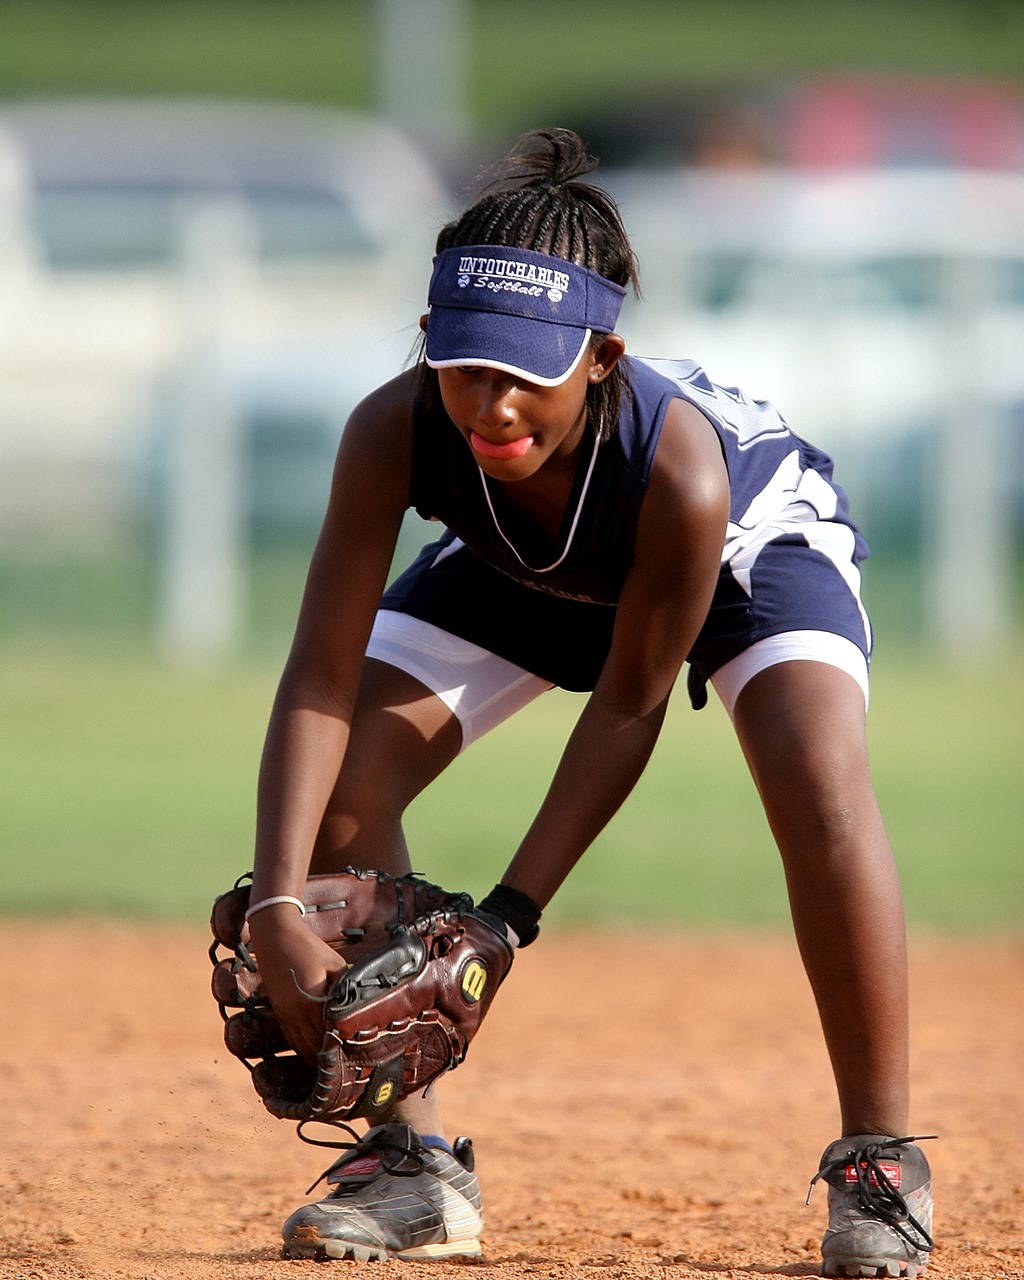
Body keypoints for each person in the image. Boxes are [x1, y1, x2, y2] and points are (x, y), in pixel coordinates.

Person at [244, 128, 934, 1276]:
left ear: (602, 354)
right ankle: (413, 1169)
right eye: (468, 362)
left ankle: (878, 1156)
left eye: (532, 367)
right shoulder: (398, 426)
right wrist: (276, 902)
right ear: (428, 343)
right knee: (350, 768)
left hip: (737, 547)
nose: (495, 400)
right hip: (527, 558)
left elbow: (626, 702)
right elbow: (318, 672)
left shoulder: (680, 467)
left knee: (816, 780)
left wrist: (505, 919)